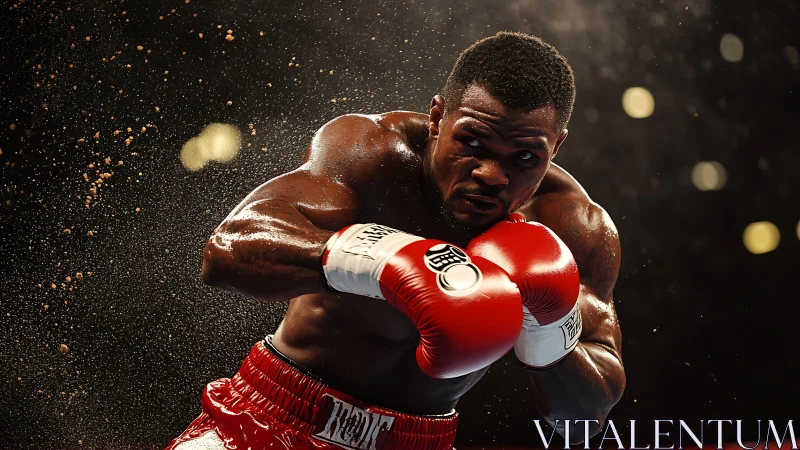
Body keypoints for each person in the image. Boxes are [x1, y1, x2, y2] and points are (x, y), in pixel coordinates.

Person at [166, 31, 625, 450]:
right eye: (472, 143)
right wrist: (383, 258)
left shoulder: (571, 226)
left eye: (524, 157)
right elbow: (227, 250)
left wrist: (549, 333)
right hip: (272, 417)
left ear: (556, 147)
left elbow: (585, 417)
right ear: (438, 117)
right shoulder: (371, 152)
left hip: (421, 440)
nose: (491, 174)